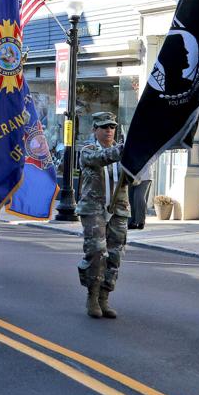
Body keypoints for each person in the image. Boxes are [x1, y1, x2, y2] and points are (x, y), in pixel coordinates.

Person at [77, 112, 130, 320]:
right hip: (94, 209)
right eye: (104, 127)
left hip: (118, 209)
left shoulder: (123, 152)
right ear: (95, 129)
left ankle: (104, 297)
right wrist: (125, 150)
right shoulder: (88, 150)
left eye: (112, 127)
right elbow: (101, 159)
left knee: (115, 255)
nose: (109, 130)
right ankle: (92, 295)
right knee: (97, 252)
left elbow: (132, 179)